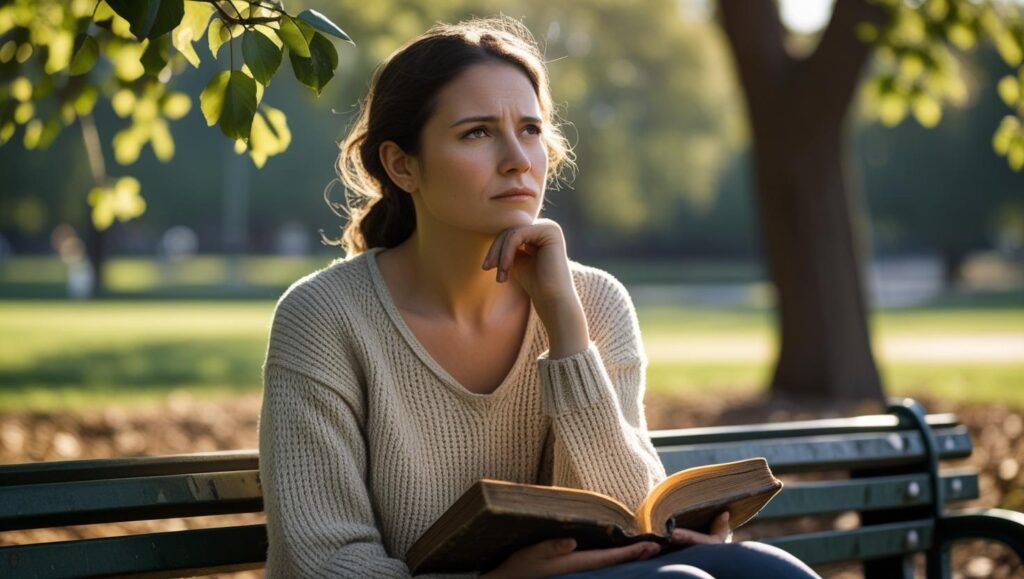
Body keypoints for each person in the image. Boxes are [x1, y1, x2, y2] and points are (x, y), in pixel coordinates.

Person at [258, 15, 822, 579]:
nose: (518, 159)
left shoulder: (593, 301)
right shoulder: (324, 319)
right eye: (476, 132)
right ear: (402, 165)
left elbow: (632, 516)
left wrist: (564, 326)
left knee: (769, 570)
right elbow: (322, 564)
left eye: (530, 129)